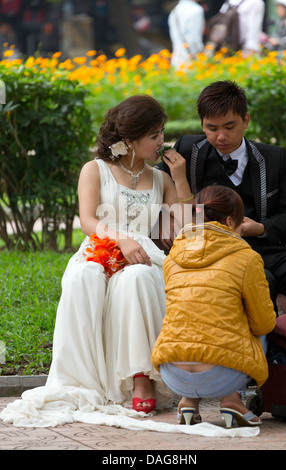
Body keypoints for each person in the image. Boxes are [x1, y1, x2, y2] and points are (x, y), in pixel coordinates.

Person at [0, 94, 193, 428]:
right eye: (154, 135)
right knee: (86, 277)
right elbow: (88, 220)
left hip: (143, 256)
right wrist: (120, 238)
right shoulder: (95, 169)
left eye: (161, 132)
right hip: (101, 247)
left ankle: (140, 378)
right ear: (129, 141)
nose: (162, 141)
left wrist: (180, 178)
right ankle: (86, 382)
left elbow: (187, 228)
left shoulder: (161, 178)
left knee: (137, 278)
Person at [156, 80, 286, 312]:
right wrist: (165, 218)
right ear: (202, 125)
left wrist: (260, 228)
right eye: (212, 128)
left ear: (246, 121)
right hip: (213, 251)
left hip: (271, 249)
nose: (221, 136)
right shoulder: (186, 149)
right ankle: (266, 348)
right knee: (262, 283)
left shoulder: (276, 158)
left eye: (229, 127)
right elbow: (155, 187)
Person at [152, 184, 277, 428]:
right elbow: (263, 323)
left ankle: (188, 400)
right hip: (222, 375)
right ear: (230, 220)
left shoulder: (173, 257)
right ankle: (232, 399)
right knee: (258, 323)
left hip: (172, 372)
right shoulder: (247, 258)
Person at [168, 0, 205, 69]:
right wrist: (203, 56)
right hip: (192, 62)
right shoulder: (196, 10)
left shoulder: (175, 11)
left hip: (177, 61)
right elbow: (194, 40)